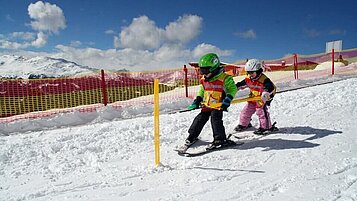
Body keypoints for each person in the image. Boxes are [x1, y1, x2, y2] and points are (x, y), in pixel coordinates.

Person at [184, 53, 238, 149]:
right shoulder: (204, 79)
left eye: (205, 70)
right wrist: (197, 100)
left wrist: (228, 99)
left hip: (218, 104)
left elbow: (232, 89)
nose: (203, 73)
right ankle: (192, 136)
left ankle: (220, 139)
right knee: (200, 118)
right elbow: (202, 90)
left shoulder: (225, 78)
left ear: (214, 68)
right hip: (207, 103)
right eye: (201, 70)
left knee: (215, 119)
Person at [234, 59, 277, 135]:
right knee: (245, 112)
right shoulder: (248, 79)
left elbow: (270, 87)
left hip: (261, 99)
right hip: (252, 98)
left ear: (258, 71)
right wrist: (233, 88)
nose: (250, 74)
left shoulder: (264, 79)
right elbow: (240, 85)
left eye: (252, 73)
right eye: (248, 72)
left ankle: (266, 127)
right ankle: (244, 124)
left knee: (261, 112)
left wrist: (265, 91)